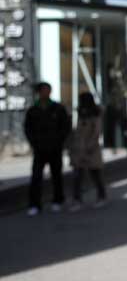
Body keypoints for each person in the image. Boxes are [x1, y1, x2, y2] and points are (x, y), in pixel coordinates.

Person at [24, 81, 70, 215]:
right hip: (39, 149)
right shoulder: (33, 110)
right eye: (43, 90)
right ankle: (34, 205)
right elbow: (28, 128)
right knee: (36, 176)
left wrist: (59, 141)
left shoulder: (58, 108)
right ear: (39, 92)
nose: (46, 92)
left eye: (48, 90)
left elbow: (65, 126)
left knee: (56, 176)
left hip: (55, 148)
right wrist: (34, 142)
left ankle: (58, 201)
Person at [67, 92, 107, 210]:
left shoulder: (95, 113)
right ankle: (77, 200)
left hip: (91, 150)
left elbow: (96, 132)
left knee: (95, 174)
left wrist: (89, 146)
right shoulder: (80, 113)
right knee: (77, 176)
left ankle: (101, 197)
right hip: (79, 150)